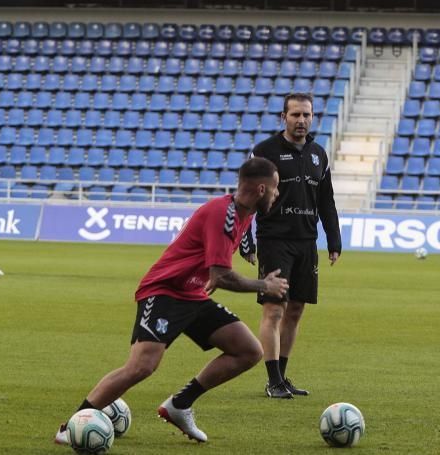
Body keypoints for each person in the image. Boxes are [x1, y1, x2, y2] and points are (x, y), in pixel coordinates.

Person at [54, 157, 288, 445]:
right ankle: (72, 426)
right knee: (141, 366)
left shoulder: (245, 213)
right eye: (276, 188)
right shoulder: (222, 214)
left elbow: (216, 273)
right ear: (262, 189)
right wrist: (264, 285)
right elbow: (222, 276)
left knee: (249, 351)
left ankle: (180, 404)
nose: (278, 194)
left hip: (193, 294)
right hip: (164, 291)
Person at [239, 93, 342, 399]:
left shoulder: (318, 155)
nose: (301, 121)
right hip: (274, 241)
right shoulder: (264, 151)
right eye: (295, 115)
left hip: (306, 242)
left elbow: (326, 200)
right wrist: (246, 239)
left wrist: (334, 240)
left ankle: (282, 377)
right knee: (274, 310)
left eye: (306, 115)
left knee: (295, 310)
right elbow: (246, 195)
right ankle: (272, 381)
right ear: (283, 117)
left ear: (313, 118)